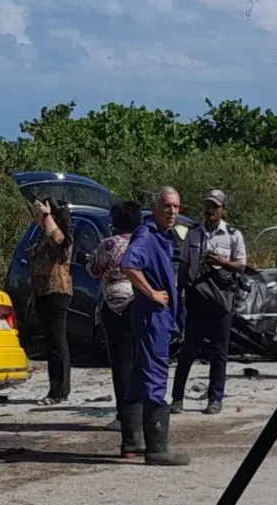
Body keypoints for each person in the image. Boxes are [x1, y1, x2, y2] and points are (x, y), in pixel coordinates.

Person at [120, 186, 190, 466]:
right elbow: (129, 265)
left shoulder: (164, 236)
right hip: (152, 317)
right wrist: (152, 293)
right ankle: (157, 449)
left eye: (176, 207)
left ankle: (132, 441)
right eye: (167, 206)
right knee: (155, 376)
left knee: (140, 376)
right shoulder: (147, 235)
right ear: (156, 207)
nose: (172, 211)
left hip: (158, 317)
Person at [171, 190, 247, 415]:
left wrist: (223, 262)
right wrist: (179, 293)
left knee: (219, 351)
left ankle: (215, 398)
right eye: (208, 206)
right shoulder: (193, 233)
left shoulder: (233, 235)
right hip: (197, 298)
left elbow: (242, 266)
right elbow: (184, 264)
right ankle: (176, 398)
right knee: (188, 350)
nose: (210, 211)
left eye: (215, 206)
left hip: (222, 299)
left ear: (223, 209)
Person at [87, 200, 142, 434]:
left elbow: (93, 270)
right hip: (138, 303)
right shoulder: (142, 244)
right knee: (137, 361)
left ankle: (123, 415)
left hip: (113, 306)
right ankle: (139, 413)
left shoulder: (107, 245)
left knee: (120, 363)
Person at [27, 197, 74, 406]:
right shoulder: (40, 236)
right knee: (50, 342)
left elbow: (57, 239)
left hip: (57, 291)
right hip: (43, 292)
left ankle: (59, 390)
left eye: (42, 212)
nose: (37, 216)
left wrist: (47, 216)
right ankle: (56, 387)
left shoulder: (60, 235)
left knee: (57, 342)